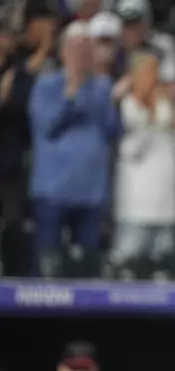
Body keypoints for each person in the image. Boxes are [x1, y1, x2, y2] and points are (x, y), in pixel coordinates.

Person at [28, 21, 120, 277]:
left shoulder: (102, 87)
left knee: (87, 269)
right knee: (46, 266)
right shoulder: (46, 85)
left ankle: (88, 317)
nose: (81, 54)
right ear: (62, 51)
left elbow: (112, 130)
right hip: (52, 190)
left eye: (85, 48)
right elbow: (45, 126)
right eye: (75, 48)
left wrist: (112, 99)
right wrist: (70, 95)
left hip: (91, 191)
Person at [110, 51, 175, 280]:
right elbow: (130, 150)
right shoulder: (125, 104)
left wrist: (171, 117)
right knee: (127, 269)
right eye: (149, 72)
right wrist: (151, 120)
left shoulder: (164, 104)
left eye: (155, 72)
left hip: (166, 201)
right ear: (134, 75)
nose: (154, 78)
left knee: (162, 270)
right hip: (136, 203)